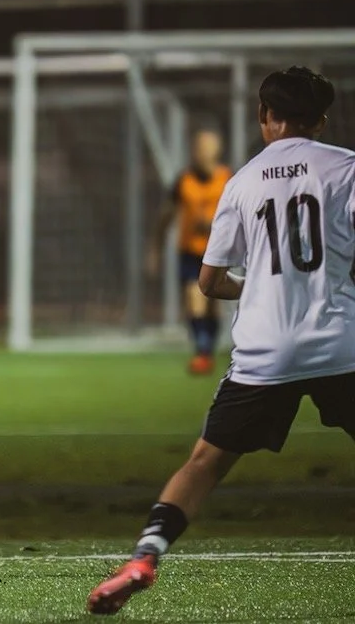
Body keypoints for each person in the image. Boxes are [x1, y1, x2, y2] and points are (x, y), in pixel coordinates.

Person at [88, 67, 355, 614]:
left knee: (204, 462)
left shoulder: (241, 182)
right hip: (339, 342)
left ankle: (145, 556)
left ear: (263, 117)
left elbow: (209, 283)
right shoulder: (346, 168)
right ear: (322, 120)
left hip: (264, 351)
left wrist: (255, 286)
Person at [147, 126, 233, 374]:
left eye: (207, 146)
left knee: (213, 305)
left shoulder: (228, 178)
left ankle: (207, 349)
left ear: (217, 150)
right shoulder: (183, 181)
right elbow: (166, 215)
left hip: (218, 252)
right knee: (194, 298)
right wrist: (156, 246)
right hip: (190, 251)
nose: (201, 152)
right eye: (198, 147)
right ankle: (202, 351)